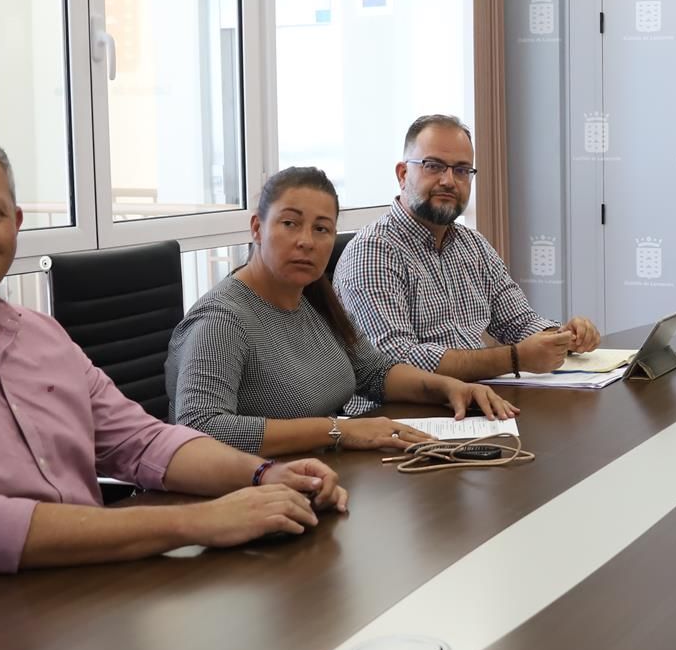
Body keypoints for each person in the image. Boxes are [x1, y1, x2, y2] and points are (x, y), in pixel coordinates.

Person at [0, 125, 349, 604]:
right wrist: (201, 520)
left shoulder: (36, 335)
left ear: (13, 223)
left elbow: (143, 442)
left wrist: (263, 474)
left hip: (75, 593)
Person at [167, 167, 517, 458]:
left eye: (321, 229)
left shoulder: (313, 299)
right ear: (257, 228)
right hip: (245, 495)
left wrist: (450, 389)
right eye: (290, 224)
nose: (307, 241)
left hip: (320, 474)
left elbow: (374, 372)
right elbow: (201, 426)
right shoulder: (222, 319)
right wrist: (339, 431)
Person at [337, 114, 600, 382]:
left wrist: (563, 336)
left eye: (462, 170)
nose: (449, 181)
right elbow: (394, 361)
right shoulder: (372, 251)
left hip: (475, 401)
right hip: (403, 413)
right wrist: (513, 358)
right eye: (433, 166)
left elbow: (517, 321)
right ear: (403, 174)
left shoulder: (472, 245)